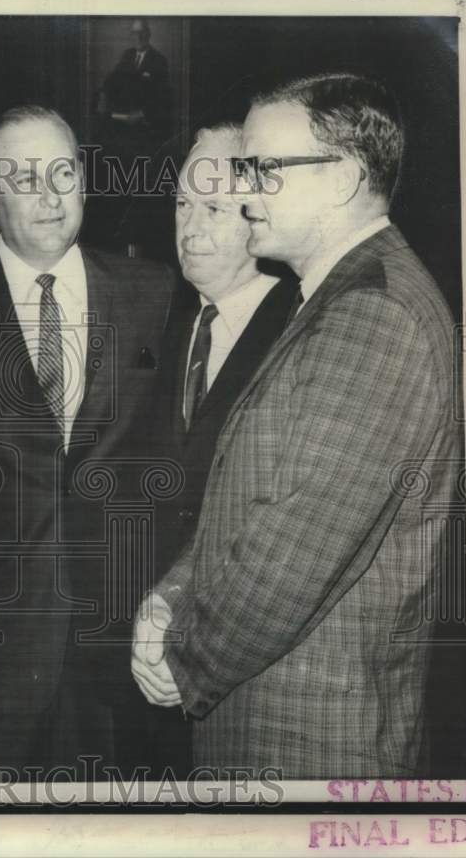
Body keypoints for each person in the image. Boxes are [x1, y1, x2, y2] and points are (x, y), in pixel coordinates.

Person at [132, 73, 462, 778]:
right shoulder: (337, 297)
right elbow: (248, 504)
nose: (245, 190)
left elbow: (293, 547)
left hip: (310, 741)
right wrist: (170, 596)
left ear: (342, 177)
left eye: (262, 169)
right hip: (280, 722)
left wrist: (182, 655)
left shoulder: (373, 313)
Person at [0, 106, 175, 778]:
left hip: (120, 642)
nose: (51, 196)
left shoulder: (156, 294)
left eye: (63, 172)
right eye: (25, 179)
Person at [149, 125, 299, 775]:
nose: (191, 226)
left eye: (213, 207)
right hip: (155, 674)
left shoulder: (298, 330)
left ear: (256, 214)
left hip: (250, 683)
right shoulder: (168, 318)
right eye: (183, 204)